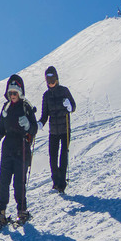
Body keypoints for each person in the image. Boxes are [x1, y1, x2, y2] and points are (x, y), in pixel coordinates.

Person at [0, 74, 38, 225]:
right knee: (3, 182)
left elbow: (34, 128)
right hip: (8, 149)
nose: (13, 95)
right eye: (11, 93)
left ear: (20, 93)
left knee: (18, 183)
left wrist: (28, 125)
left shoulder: (26, 106)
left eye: (15, 93)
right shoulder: (6, 107)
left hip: (22, 148)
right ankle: (1, 213)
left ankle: (22, 211)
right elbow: (1, 128)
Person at [38, 65, 77, 193]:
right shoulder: (46, 96)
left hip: (65, 129)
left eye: (52, 79)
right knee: (53, 157)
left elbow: (73, 106)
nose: (51, 82)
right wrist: (39, 124)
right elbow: (45, 115)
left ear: (57, 78)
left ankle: (61, 183)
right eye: (48, 80)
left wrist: (69, 106)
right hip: (53, 131)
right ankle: (56, 181)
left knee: (63, 155)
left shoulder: (64, 91)